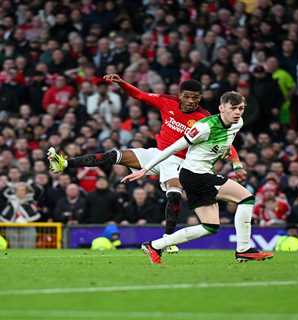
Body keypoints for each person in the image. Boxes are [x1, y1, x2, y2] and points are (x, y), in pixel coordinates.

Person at [48, 76, 246, 253]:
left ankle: (168, 240)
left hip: (181, 161)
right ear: (180, 96)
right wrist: (122, 83)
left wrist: (237, 164)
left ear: (200, 98)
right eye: (187, 96)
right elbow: (140, 95)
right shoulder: (167, 102)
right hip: (157, 154)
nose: (191, 101)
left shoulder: (206, 119)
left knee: (174, 194)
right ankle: (65, 163)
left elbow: (226, 144)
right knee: (115, 155)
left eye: (195, 98)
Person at [121, 91, 273, 264]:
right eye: (233, 108)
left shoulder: (237, 123)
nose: (238, 112)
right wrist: (145, 169)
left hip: (199, 175)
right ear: (221, 108)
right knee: (246, 198)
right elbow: (172, 148)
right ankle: (244, 249)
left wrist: (236, 164)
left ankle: (155, 245)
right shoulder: (204, 127)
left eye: (241, 108)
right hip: (196, 175)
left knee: (210, 226)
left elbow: (227, 142)